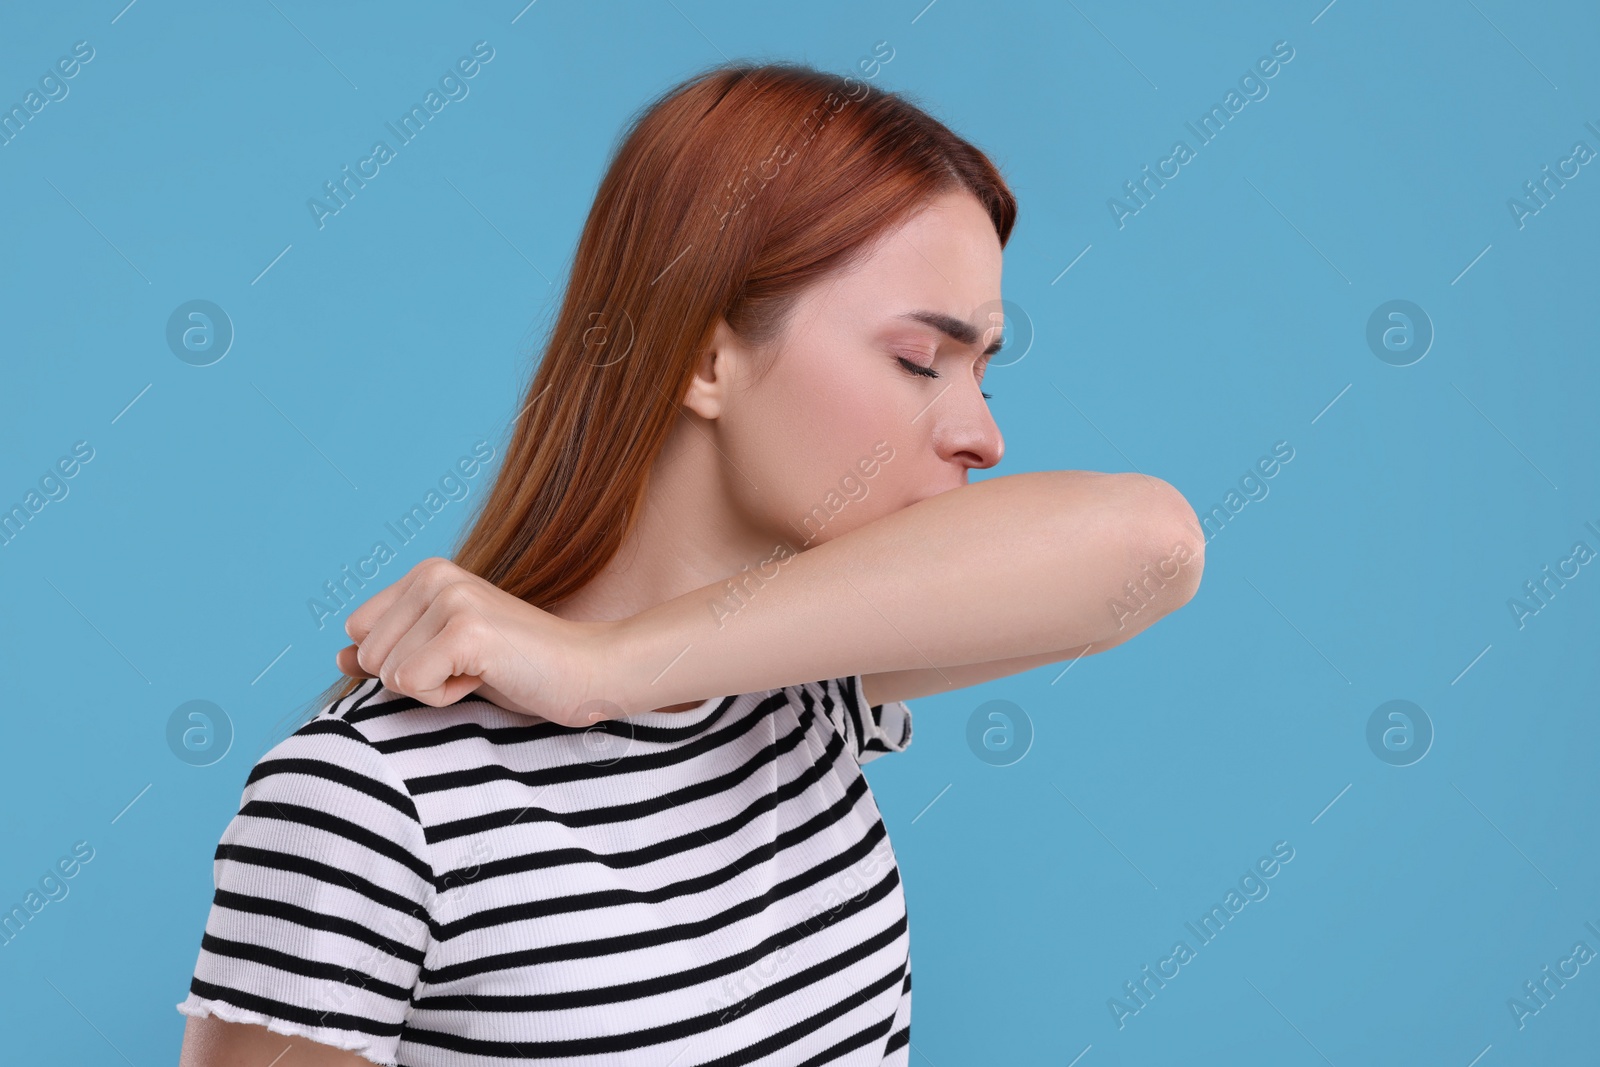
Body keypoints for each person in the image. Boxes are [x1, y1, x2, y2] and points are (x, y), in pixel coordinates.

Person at [175, 60, 1203, 1066]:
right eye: (918, 361)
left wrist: (606, 666)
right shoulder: (372, 801)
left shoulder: (794, 687)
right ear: (706, 360)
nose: (983, 434)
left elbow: (1153, 545)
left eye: (981, 369)